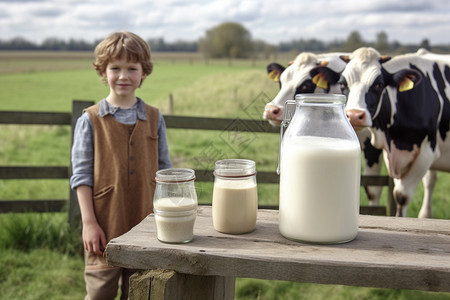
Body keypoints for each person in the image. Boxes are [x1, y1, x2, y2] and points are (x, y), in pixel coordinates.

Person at [70, 31, 172, 300]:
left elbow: (166, 171)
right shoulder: (89, 120)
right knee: (100, 291)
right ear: (103, 71)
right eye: (115, 68)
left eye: (132, 68)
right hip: (104, 224)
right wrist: (89, 224)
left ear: (144, 73)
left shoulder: (154, 117)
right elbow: (81, 176)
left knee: (143, 291)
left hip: (147, 226)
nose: (123, 75)